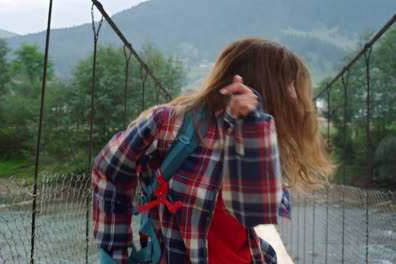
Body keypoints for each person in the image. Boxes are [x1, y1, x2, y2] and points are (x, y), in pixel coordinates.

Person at [92, 37, 333, 264]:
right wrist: (115, 252)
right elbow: (109, 170)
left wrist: (254, 129)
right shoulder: (170, 124)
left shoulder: (259, 134)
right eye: (290, 87)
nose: (296, 97)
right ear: (268, 86)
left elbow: (263, 210)